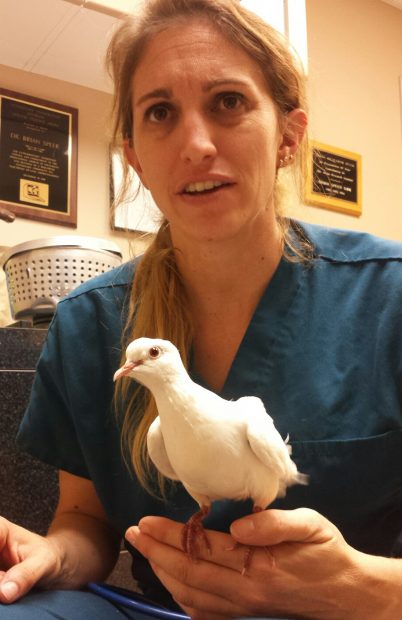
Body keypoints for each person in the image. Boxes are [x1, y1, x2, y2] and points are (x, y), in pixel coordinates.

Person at [1, 0, 402, 617]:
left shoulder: (388, 298)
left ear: (289, 135)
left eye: (228, 102)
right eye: (161, 112)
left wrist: (359, 589)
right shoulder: (88, 325)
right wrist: (52, 557)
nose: (195, 144)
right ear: (135, 154)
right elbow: (85, 522)